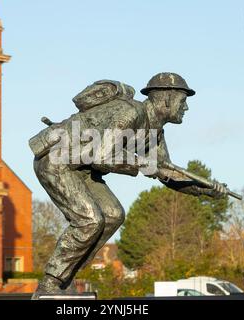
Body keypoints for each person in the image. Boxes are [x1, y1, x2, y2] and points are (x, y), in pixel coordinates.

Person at [30, 72, 228, 299]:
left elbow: (167, 173)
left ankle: (65, 280)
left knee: (113, 215)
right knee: (90, 220)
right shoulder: (130, 112)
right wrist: (143, 163)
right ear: (166, 98)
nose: (186, 108)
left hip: (82, 170)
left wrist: (207, 190)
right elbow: (103, 156)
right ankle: (50, 283)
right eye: (183, 101)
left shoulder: (154, 133)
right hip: (57, 162)